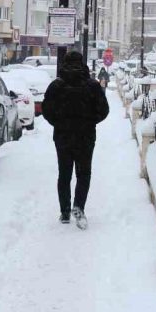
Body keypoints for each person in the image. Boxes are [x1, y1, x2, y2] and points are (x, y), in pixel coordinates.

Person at [41, 50, 109, 229]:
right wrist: (90, 121)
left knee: (64, 173)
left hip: (62, 136)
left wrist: (58, 123)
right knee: (83, 173)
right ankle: (78, 207)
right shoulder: (92, 86)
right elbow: (104, 110)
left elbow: (46, 110)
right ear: (82, 63)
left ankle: (65, 212)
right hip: (85, 136)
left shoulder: (56, 86)